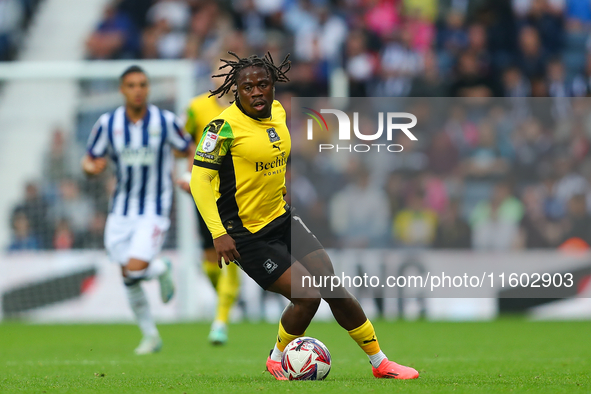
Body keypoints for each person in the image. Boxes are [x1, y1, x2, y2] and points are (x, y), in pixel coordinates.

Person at [190, 52, 419, 380]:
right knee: (307, 296)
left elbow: (273, 159)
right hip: (245, 233)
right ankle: (276, 357)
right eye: (247, 87)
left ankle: (380, 363)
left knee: (332, 286)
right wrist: (217, 232)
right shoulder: (222, 127)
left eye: (262, 84)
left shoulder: (279, 112)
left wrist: (278, 187)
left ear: (272, 86)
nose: (256, 92)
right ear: (236, 91)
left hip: (281, 218)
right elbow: (199, 180)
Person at [81, 65, 192, 354]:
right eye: (131, 85)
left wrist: (190, 172)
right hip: (120, 209)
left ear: (148, 88)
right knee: (128, 277)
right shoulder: (108, 123)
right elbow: (89, 160)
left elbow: (188, 148)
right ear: (122, 89)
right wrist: (92, 168)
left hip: (154, 208)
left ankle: (158, 268)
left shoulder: (165, 121)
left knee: (135, 268)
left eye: (142, 84)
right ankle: (151, 335)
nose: (138, 90)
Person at [178, 65, 239, 345]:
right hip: (204, 193)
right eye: (219, 75)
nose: (223, 81)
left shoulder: (243, 112)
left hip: (234, 194)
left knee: (231, 256)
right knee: (209, 261)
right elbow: (180, 142)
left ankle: (221, 321)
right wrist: (185, 173)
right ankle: (224, 301)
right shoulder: (196, 108)